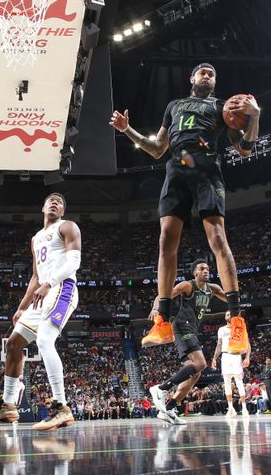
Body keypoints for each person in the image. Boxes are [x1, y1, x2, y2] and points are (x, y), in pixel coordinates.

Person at [111, 63, 260, 353]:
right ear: (191, 78)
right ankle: (162, 322)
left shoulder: (222, 108)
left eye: (212, 73)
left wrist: (254, 116)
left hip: (206, 170)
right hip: (176, 171)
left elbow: (244, 149)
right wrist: (127, 129)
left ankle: (238, 323)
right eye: (202, 72)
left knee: (217, 239)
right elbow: (156, 148)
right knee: (166, 241)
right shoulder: (174, 106)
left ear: (215, 82)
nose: (206, 75)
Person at [0, 193, 81, 431]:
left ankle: (61, 408)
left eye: (60, 201)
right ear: (43, 207)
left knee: (44, 341)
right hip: (42, 293)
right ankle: (8, 406)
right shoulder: (36, 238)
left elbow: (74, 262)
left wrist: (49, 283)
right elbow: (35, 276)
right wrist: (22, 307)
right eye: (50, 200)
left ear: (63, 211)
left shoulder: (67, 226)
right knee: (13, 344)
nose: (54, 202)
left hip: (62, 288)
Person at [148, 260, 227, 425]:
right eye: (202, 268)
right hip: (182, 326)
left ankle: (169, 408)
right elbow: (164, 295)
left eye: (207, 268)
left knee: (195, 374)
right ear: (195, 273)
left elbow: (231, 299)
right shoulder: (188, 286)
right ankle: (161, 388)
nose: (206, 270)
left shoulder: (213, 289)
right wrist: (156, 308)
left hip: (192, 330)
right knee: (200, 363)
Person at [212, 311, 251, 417]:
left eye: (230, 314)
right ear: (225, 317)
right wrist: (214, 358)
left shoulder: (240, 328)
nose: (229, 316)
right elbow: (219, 345)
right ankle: (231, 408)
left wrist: (247, 357)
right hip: (225, 356)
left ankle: (244, 408)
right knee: (227, 383)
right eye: (227, 315)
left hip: (236, 356)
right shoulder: (221, 330)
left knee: (239, 382)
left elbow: (247, 343)